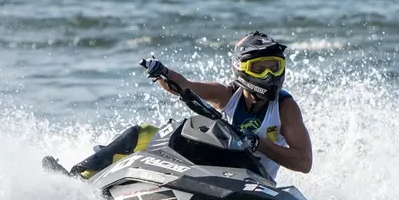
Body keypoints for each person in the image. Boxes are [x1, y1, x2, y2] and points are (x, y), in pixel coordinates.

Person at [42, 30, 312, 182]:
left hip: (254, 180)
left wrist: (259, 144)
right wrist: (162, 73)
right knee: (146, 133)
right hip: (214, 171)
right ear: (240, 70)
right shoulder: (227, 94)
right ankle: (77, 178)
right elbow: (185, 86)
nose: (269, 76)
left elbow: (304, 162)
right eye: (259, 68)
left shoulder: (285, 107)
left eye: (274, 67)